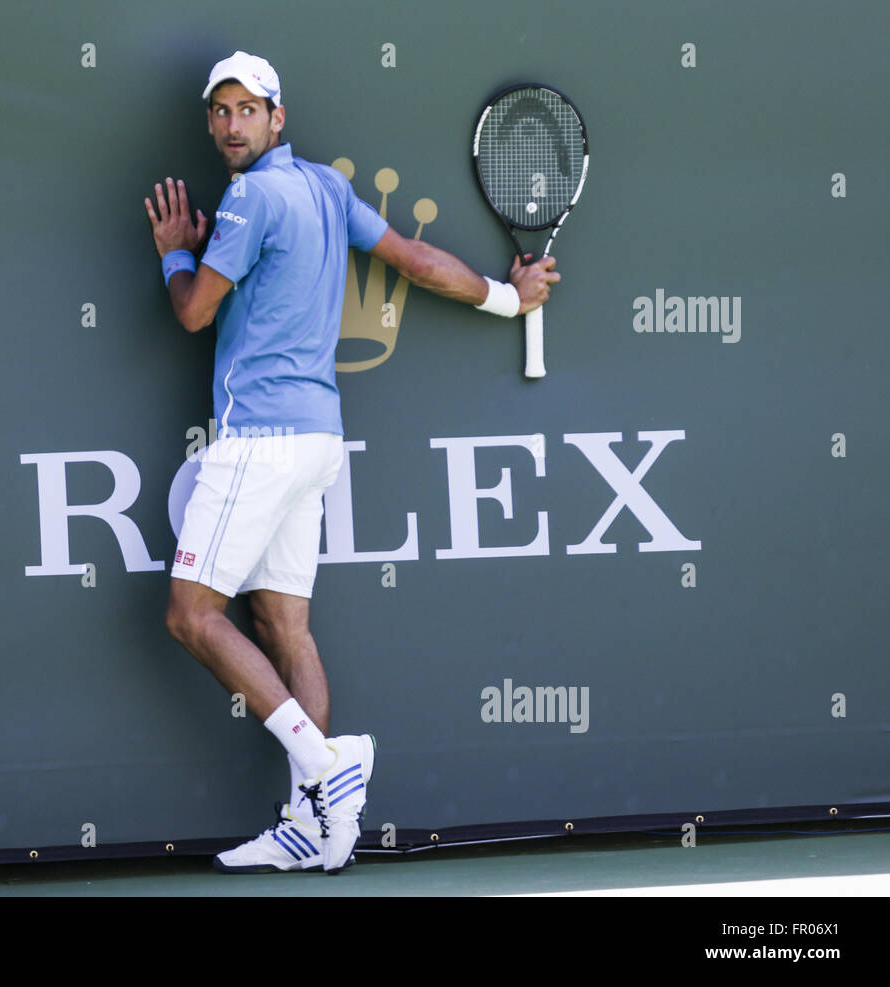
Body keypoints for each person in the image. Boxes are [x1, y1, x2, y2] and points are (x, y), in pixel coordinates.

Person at [144, 52, 559, 874]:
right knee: (285, 625)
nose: (230, 124)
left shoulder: (251, 197)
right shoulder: (328, 190)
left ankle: (329, 765)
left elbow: (193, 313)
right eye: (219, 111)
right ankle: (319, 829)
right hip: (318, 442)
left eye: (246, 110)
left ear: (277, 117)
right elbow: (411, 257)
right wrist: (510, 297)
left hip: (259, 440)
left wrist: (172, 253)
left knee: (191, 615)